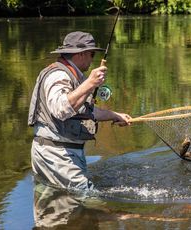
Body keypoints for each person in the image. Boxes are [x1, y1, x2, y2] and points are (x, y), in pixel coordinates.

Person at [28, 31, 131, 191]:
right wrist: (90, 83)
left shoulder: (74, 77)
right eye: (91, 54)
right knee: (92, 201)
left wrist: (114, 115)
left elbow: (84, 111)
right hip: (56, 154)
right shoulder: (58, 75)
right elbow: (60, 109)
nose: (92, 59)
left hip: (59, 153)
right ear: (81, 54)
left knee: (59, 205)